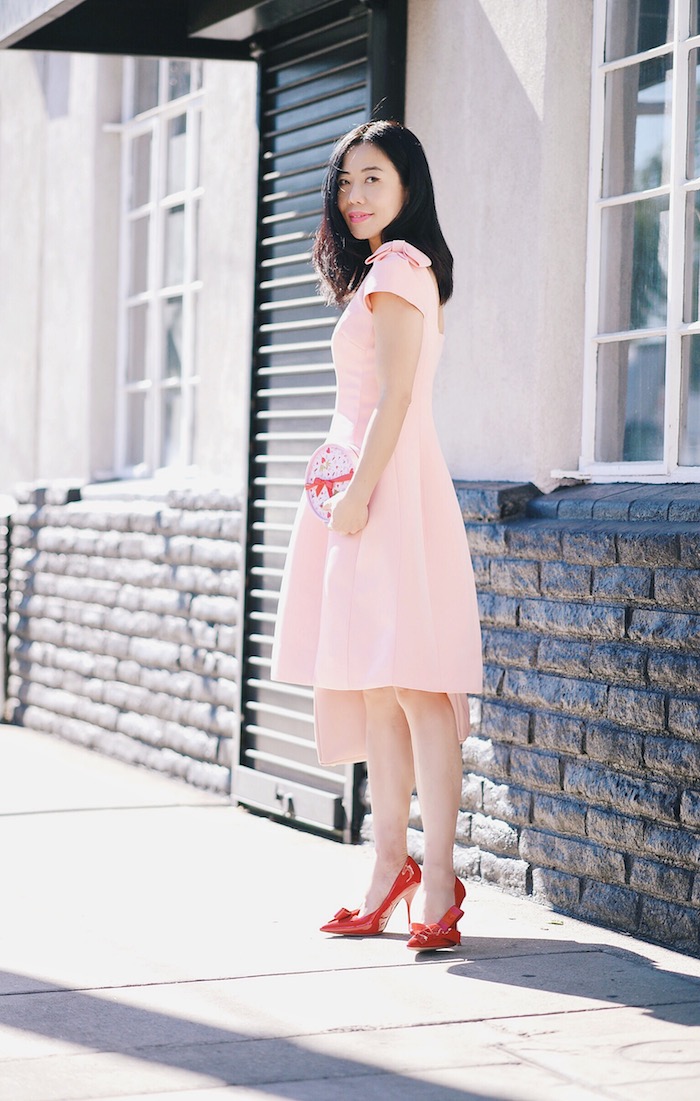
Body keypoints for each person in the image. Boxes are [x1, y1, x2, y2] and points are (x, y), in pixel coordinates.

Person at [270, 120, 483, 951]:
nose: (355, 196)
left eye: (374, 180)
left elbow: (394, 397)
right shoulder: (384, 271)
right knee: (381, 684)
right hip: (369, 488)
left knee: (419, 685)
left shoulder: (398, 270)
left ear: (408, 189)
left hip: (383, 489)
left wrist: (356, 496)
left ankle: (436, 878)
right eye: (347, 182)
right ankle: (387, 865)